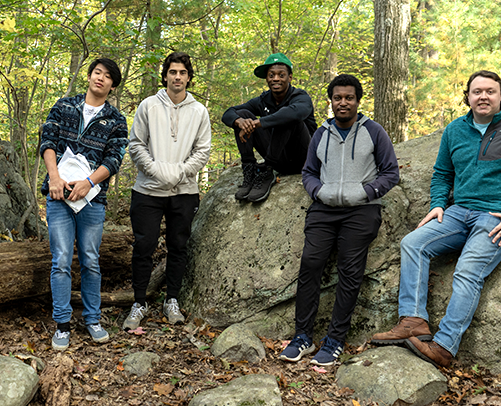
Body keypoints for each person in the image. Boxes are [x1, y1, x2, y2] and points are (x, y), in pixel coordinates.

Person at [371, 70, 501, 367]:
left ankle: (444, 346)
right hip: (460, 212)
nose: (483, 96)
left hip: (500, 216)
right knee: (413, 243)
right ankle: (413, 320)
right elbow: (443, 174)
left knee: (468, 270)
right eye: (477, 91)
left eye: (490, 91)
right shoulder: (455, 130)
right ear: (467, 97)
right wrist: (438, 204)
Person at [278, 74, 399, 366]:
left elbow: (391, 172)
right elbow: (308, 172)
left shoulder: (374, 131)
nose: (343, 103)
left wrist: (366, 192)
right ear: (331, 101)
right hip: (324, 209)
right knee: (310, 264)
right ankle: (302, 337)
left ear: (358, 100)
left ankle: (334, 340)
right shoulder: (321, 133)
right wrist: (318, 191)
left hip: (361, 211)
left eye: (349, 97)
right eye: (337, 98)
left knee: (349, 270)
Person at [39, 57, 129, 351]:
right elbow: (47, 140)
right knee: (61, 259)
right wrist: (54, 178)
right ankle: (62, 324)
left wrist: (89, 182)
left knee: (90, 259)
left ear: (112, 85)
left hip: (93, 200)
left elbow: (114, 159)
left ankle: (92, 319)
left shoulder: (115, 120)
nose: (100, 78)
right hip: (58, 194)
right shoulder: (65, 106)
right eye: (97, 73)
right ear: (89, 76)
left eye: (107, 76)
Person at [123, 52, 211, 331]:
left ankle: (171, 299)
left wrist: (180, 172)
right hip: (147, 190)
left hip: (184, 191)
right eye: (173, 72)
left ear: (189, 77)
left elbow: (203, 150)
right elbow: (136, 144)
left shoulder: (199, 111)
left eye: (183, 72)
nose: (177, 77)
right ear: (165, 76)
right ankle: (139, 302)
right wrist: (157, 171)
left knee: (178, 247)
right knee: (144, 246)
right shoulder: (148, 106)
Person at [221, 52, 316, 202]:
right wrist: (240, 121)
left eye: (281, 75)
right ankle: (250, 169)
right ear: (267, 78)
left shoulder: (300, 97)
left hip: (303, 159)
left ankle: (267, 170)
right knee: (243, 114)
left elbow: (296, 113)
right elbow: (229, 113)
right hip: (279, 158)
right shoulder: (263, 100)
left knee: (286, 117)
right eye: (271, 75)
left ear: (289, 77)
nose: (276, 79)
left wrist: (259, 122)